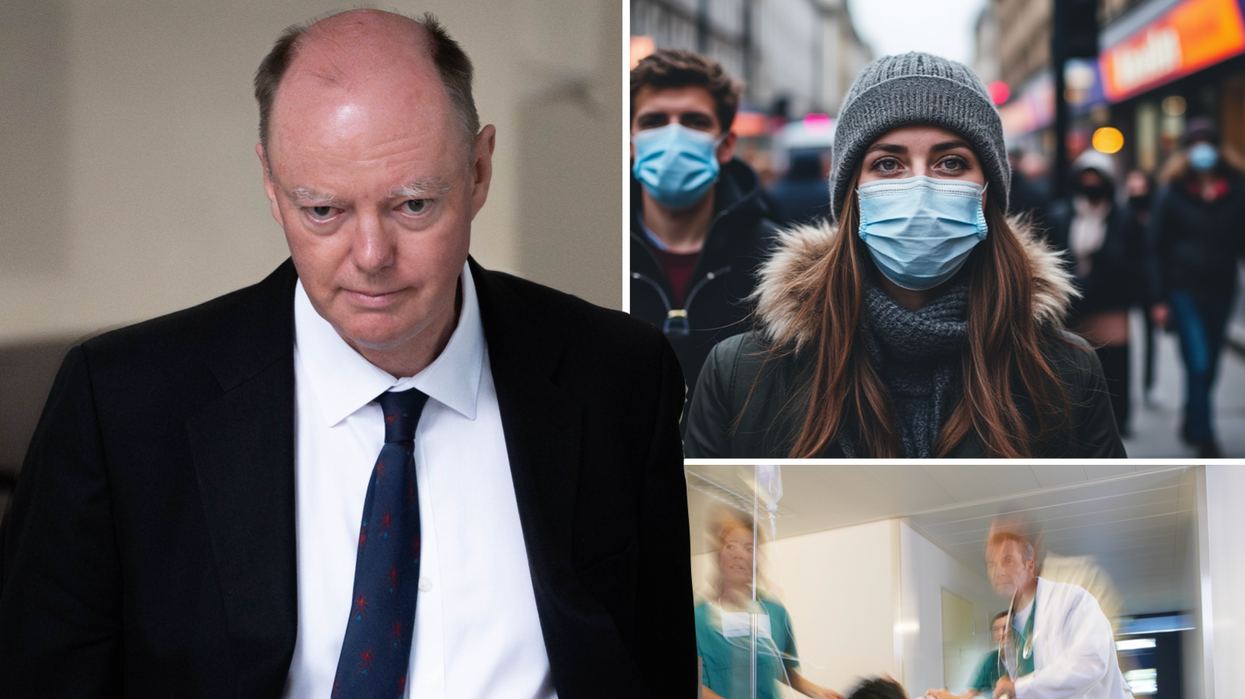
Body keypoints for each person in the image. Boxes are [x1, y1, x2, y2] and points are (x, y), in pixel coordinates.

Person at [0, 11, 693, 698]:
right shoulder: (120, 405)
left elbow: (655, 664)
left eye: (413, 204)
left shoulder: (622, 376)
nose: (371, 257)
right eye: (323, 211)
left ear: (479, 171)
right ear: (273, 187)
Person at [683, 52, 1125, 458]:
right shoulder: (740, 373)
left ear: (988, 190)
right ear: (852, 193)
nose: (920, 185)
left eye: (950, 162)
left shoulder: (1064, 371)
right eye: (887, 164)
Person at [629, 48, 779, 410]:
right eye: (653, 122)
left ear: (726, 145)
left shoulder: (778, 262)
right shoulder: (597, 250)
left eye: (695, 121)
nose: (673, 136)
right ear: (630, 143)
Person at [1147, 117, 1245, 458]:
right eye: (1195, 144)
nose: (1202, 151)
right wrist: (1158, 298)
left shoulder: (1236, 189)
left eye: (1208, 143)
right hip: (1183, 288)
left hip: (1221, 288)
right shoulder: (1172, 191)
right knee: (1199, 360)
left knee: (1210, 363)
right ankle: (1205, 435)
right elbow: (1156, 246)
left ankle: (1193, 417)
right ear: (1187, 152)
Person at [1046, 150, 1143, 434]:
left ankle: (1120, 419)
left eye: (1096, 178)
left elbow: (1134, 259)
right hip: (1074, 303)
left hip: (1111, 302)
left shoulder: (1123, 216)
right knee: (1076, 362)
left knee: (1115, 365)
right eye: (1085, 178)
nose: (1090, 183)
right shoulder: (1061, 213)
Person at [695, 509, 841, 699]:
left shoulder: (775, 612)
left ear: (757, 558)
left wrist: (815, 690)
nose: (739, 554)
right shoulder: (698, 620)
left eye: (749, 548)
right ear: (718, 555)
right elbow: (696, 687)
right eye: (731, 546)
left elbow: (781, 667)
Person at [983, 532, 1128, 699]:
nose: (998, 571)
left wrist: (1020, 688)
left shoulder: (1073, 600)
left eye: (1007, 561)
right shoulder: (1013, 625)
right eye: (991, 564)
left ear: (1029, 564)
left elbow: (1089, 663)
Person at [1124, 170, 1160, 405]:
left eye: (1141, 188)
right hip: (1127, 284)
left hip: (1149, 285)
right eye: (1132, 188)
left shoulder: (1157, 213)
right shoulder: (1121, 213)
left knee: (1150, 337)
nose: (1136, 193)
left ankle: (1150, 384)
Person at [927, 612, 1008, 699]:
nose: (1001, 633)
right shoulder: (989, 661)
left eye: (1006, 627)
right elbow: (967, 696)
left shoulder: (1023, 659)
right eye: (996, 629)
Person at [769, 149, 833, 226]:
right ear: (817, 165)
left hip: (784, 235)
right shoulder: (828, 191)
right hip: (823, 236)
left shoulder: (776, 191)